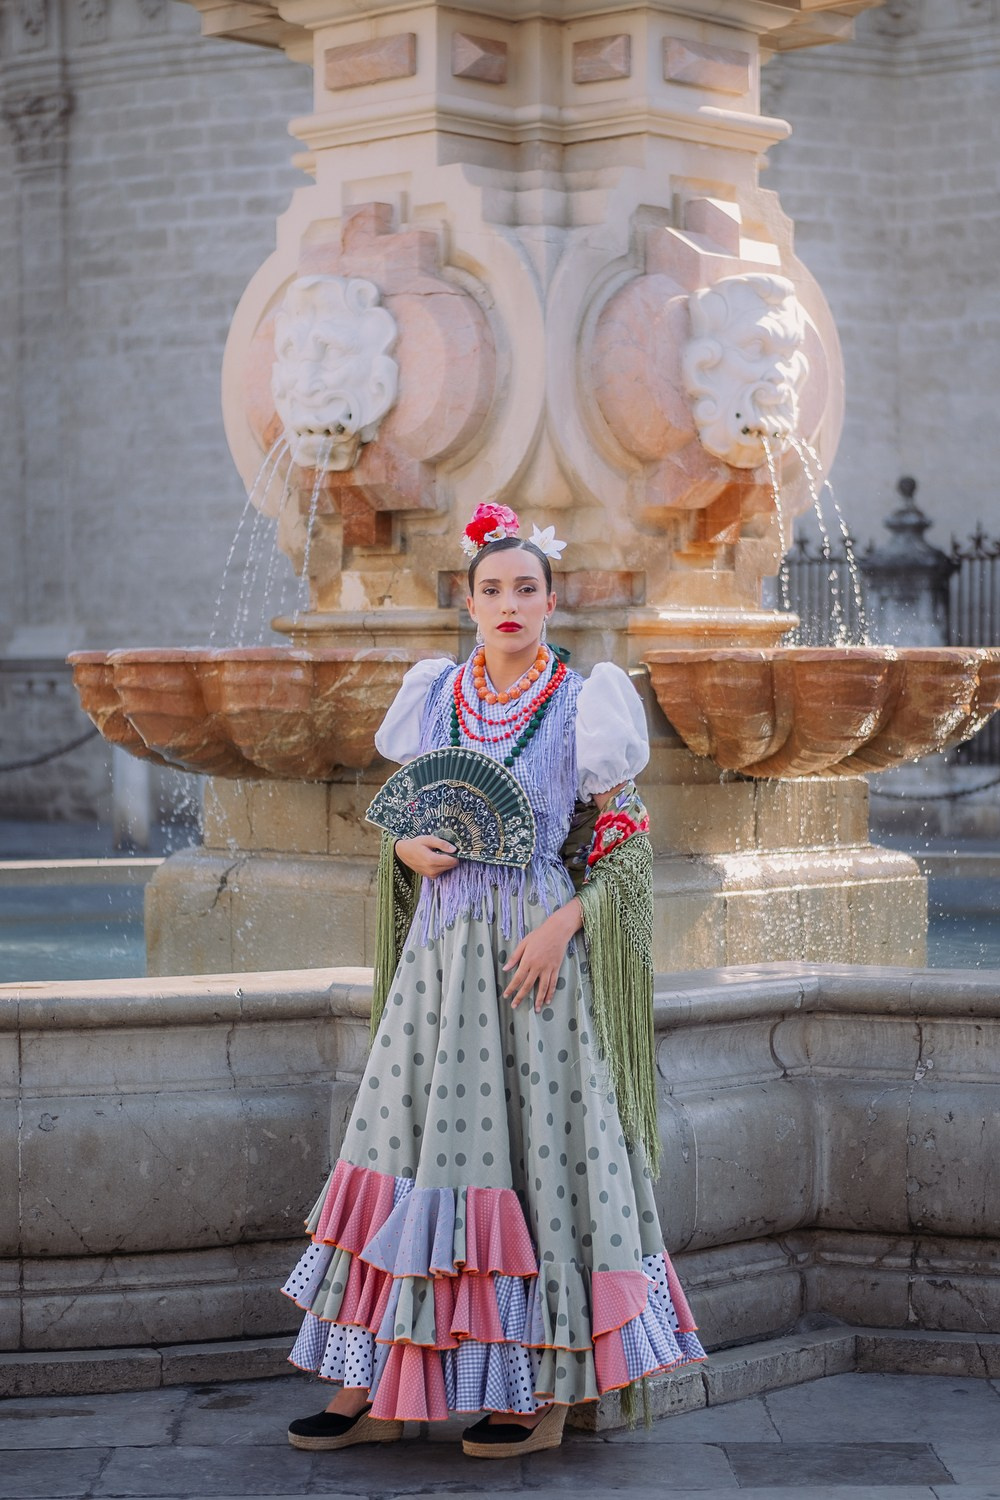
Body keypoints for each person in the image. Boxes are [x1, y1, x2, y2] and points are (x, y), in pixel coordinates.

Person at [282, 503, 705, 1458]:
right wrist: (403, 846)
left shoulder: (586, 704)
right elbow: (402, 817)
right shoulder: (433, 696)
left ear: (552, 601)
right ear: (467, 603)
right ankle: (377, 1384)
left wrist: (565, 923)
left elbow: (631, 850)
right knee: (397, 1144)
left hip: (530, 962)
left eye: (526, 588)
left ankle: (542, 1389)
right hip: (439, 960)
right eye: (491, 589)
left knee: (539, 1163)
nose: (509, 602)